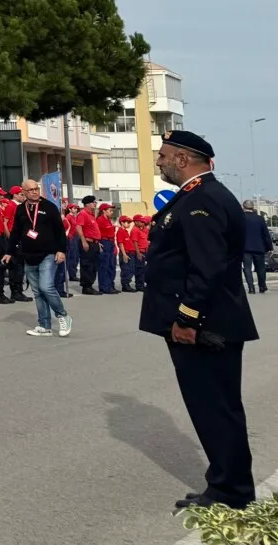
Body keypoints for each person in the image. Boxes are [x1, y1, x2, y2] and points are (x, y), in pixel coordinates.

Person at [139, 131, 260, 510]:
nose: (158, 162)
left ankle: (230, 491)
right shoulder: (199, 196)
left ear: (181, 159)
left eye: (163, 155)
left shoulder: (201, 200)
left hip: (204, 324)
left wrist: (188, 318)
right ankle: (227, 483)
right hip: (209, 319)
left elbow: (205, 267)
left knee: (214, 408)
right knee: (217, 407)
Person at [8, 177, 70, 337]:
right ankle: (44, 325)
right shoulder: (21, 209)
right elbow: (15, 231)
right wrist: (9, 251)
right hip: (29, 254)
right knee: (37, 292)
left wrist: (61, 250)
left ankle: (63, 315)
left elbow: (60, 231)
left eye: (37, 189)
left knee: (46, 287)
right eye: (31, 190)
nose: (35, 192)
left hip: (48, 253)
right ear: (23, 192)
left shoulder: (49, 207)